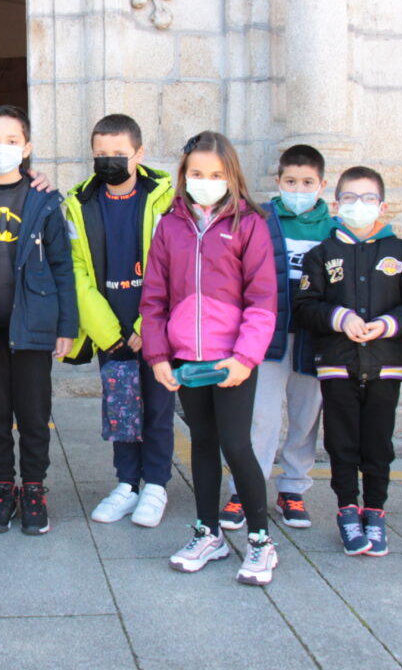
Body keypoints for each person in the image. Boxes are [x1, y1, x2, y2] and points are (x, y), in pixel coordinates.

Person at [141, 131, 279, 586]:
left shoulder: (250, 224)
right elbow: (154, 296)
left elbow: (262, 300)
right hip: (186, 358)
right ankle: (208, 533)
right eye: (197, 173)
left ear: (231, 176)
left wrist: (245, 357)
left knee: (237, 445)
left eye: (216, 174)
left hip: (232, 359)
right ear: (184, 176)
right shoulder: (170, 225)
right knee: (201, 442)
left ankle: (260, 541)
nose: (205, 181)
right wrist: (158, 355)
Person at [0, 106, 78, 535]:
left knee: (35, 412)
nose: (2, 148)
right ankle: (3, 487)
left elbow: (63, 265)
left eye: (11, 140)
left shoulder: (43, 200)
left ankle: (34, 488)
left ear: (26, 148)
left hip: (34, 325)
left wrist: (66, 325)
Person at [293, 166, 402, 558]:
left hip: (386, 363)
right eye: (349, 198)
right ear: (336, 204)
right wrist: (340, 318)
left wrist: (388, 324)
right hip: (337, 362)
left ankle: (376, 511)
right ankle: (348, 510)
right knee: (341, 441)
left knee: (378, 443)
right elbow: (304, 307)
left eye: (368, 198)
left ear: (382, 206)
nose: (359, 205)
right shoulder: (322, 254)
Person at [63, 114, 176, 528]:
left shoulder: (165, 199)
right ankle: (128, 483)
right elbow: (76, 272)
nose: (110, 161)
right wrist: (110, 332)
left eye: (119, 154)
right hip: (108, 327)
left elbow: (175, 266)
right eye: (101, 154)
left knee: (159, 407)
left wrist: (146, 328)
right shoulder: (80, 204)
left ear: (139, 154)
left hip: (157, 325)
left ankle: (157, 484)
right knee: (121, 407)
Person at [219, 144, 335, 531]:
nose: (298, 189)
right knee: (260, 417)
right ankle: (244, 489)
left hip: (314, 340)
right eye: (290, 181)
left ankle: (293, 488)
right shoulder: (260, 219)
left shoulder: (335, 230)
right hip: (267, 339)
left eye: (307, 182)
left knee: (305, 417)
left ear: (322, 184)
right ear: (278, 181)